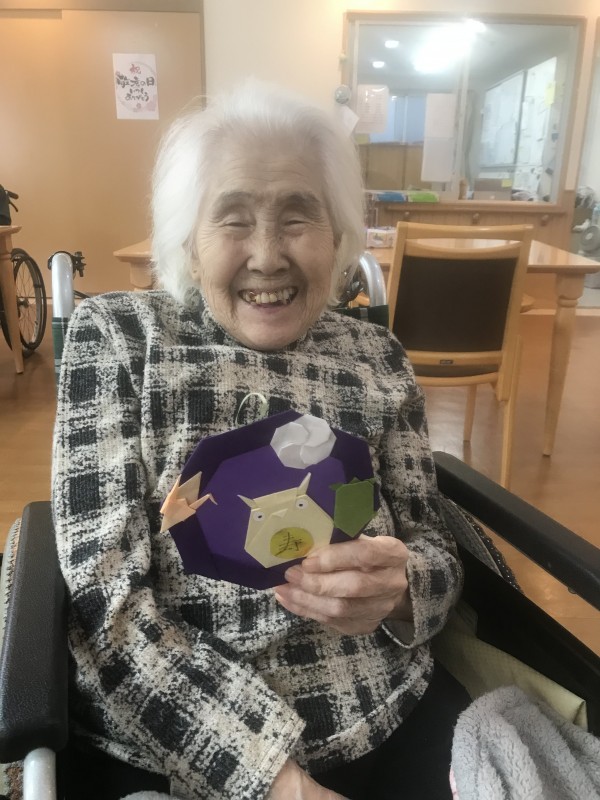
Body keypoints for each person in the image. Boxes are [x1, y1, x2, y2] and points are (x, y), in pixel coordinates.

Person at [52, 80, 469, 800]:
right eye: (234, 220)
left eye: (298, 217)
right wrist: (280, 782)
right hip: (179, 746)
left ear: (337, 237)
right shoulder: (121, 339)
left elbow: (432, 543)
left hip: (385, 706)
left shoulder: (376, 357)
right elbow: (105, 604)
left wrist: (403, 589)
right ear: (189, 242)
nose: (269, 255)